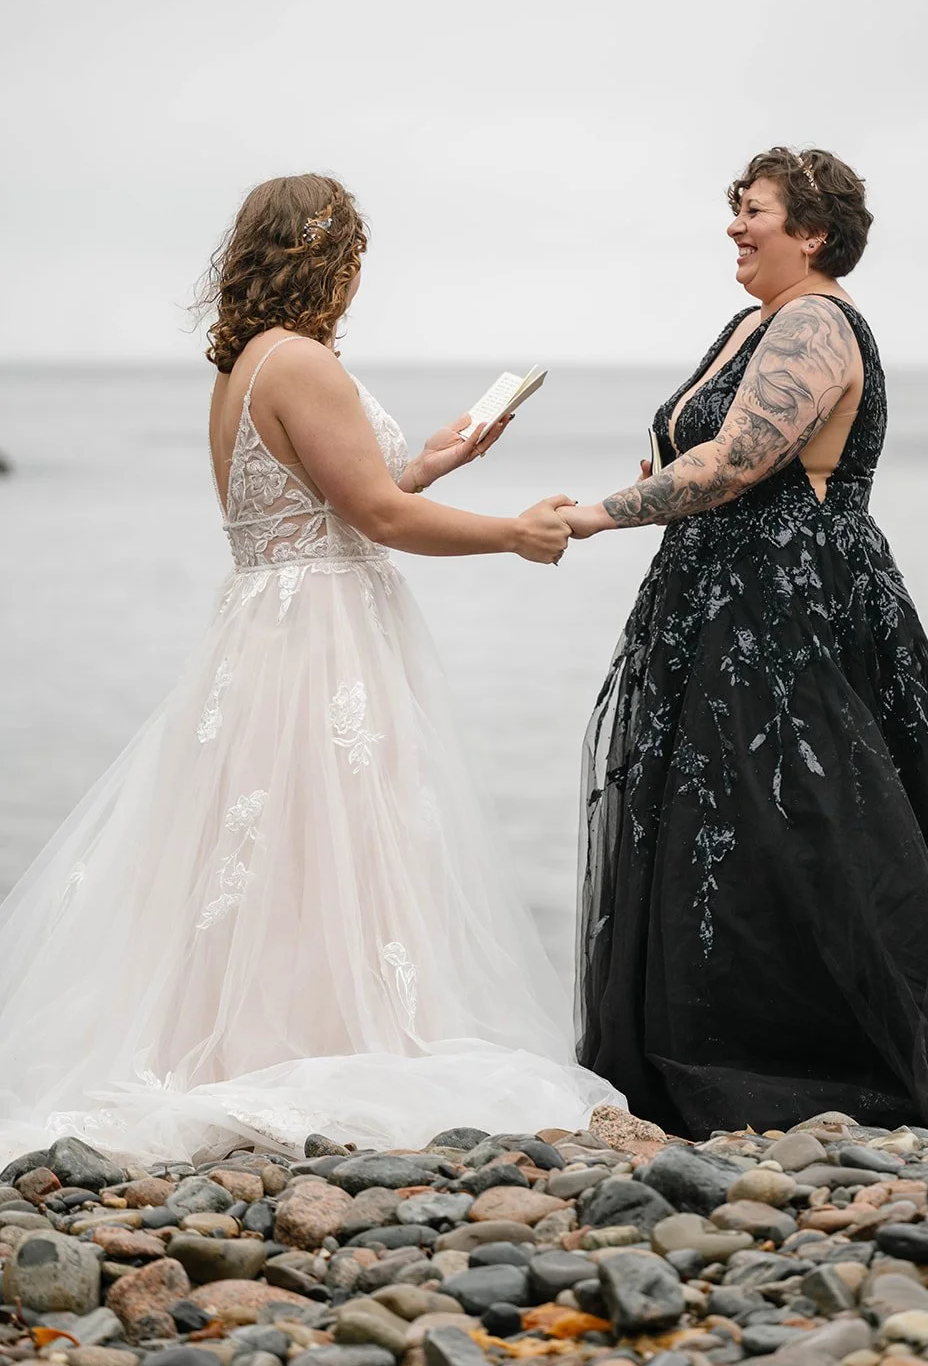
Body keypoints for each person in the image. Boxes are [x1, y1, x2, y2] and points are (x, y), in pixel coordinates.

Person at [0, 173, 621, 1163]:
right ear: (328, 260)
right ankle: (318, 1046)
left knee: (283, 844)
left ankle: (267, 1032)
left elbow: (330, 501)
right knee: (328, 837)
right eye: (354, 262)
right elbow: (373, 517)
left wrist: (429, 465)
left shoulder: (245, 367)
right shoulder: (302, 364)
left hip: (267, 623)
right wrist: (512, 532)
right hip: (320, 631)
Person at [565, 145, 928, 1136]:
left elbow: (738, 461)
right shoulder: (750, 323)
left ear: (812, 233)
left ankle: (815, 1059)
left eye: (753, 210)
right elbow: (699, 451)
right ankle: (711, 1038)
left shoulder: (815, 323)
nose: (733, 225)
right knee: (715, 819)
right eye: (736, 207)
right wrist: (660, 476)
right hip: (719, 593)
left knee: (807, 818)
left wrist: (591, 515)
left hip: (786, 604)